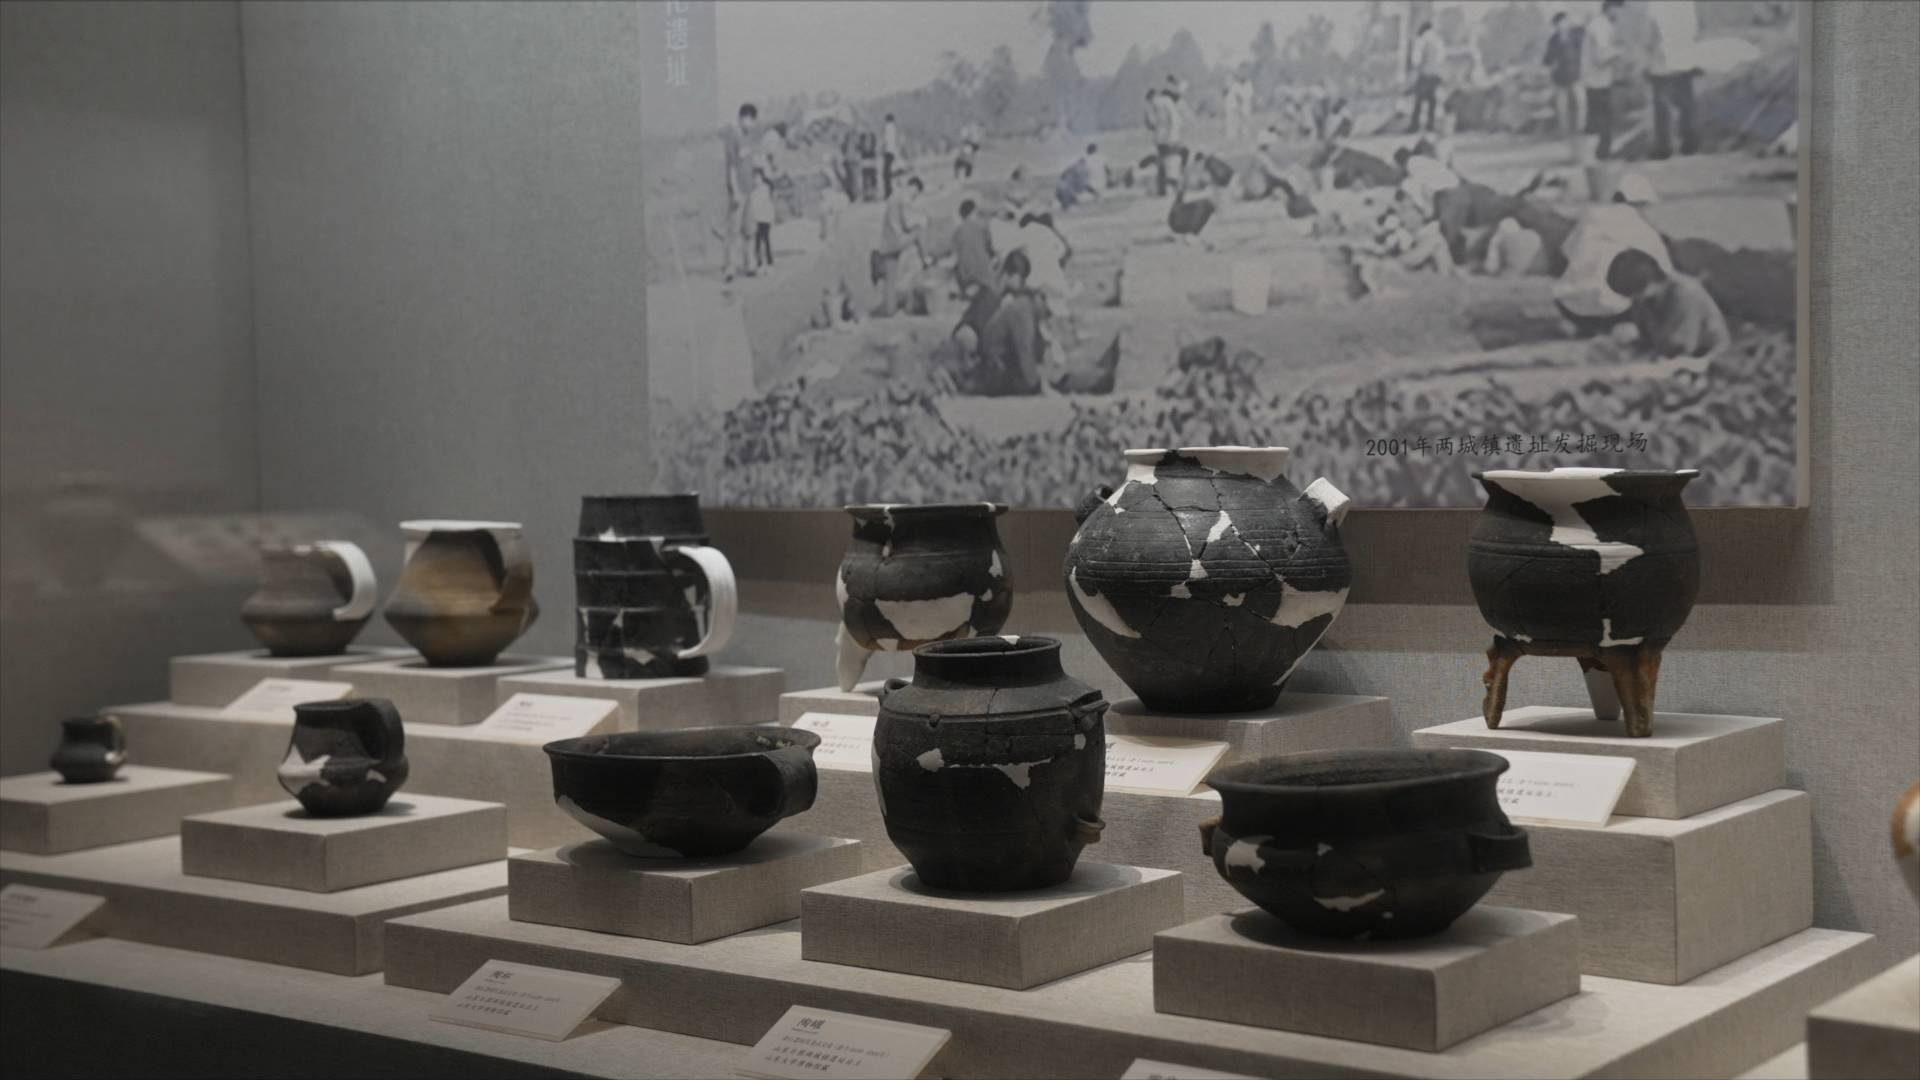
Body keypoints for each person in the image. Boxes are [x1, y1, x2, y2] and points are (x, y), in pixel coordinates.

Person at [1555, 172, 1676, 332]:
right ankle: (1619, 326)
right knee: (1650, 288)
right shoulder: (1643, 229)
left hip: (1571, 308)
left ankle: (1582, 326)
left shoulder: (1589, 218)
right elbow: (1665, 272)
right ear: (1641, 204)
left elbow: (1566, 251)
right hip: (1616, 312)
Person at [1606, 248, 1729, 359]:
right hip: (1669, 352)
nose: (1633, 299)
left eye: (1633, 294)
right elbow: (1646, 337)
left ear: (1646, 284)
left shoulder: (1684, 293)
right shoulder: (1645, 297)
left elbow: (1680, 347)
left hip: (1704, 358)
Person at [1644, 1, 1702, 159]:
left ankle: (1664, 147)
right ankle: (1689, 145)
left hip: (1662, 63)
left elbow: (1649, 38)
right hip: (1683, 60)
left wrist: (1646, 63)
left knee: (1662, 109)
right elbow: (1694, 32)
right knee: (1686, 105)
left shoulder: (1655, 6)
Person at [871, 176, 925, 317]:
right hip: (899, 242)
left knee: (890, 279)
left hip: (888, 242)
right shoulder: (904, 199)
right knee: (912, 271)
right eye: (916, 193)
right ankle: (907, 306)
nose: (915, 196)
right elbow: (911, 224)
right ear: (914, 187)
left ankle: (890, 308)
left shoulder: (893, 197)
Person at [720, 102, 758, 281]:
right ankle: (730, 267)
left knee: (749, 230)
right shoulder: (732, 137)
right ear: (743, 118)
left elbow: (750, 163)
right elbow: (731, 167)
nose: (752, 124)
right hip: (738, 191)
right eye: (750, 120)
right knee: (733, 231)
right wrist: (734, 190)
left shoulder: (748, 137)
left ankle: (750, 264)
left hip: (749, 189)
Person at [1582, 0, 1624, 161]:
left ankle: (1600, 153)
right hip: (1597, 81)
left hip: (1597, 79)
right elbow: (1601, 57)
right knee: (1601, 118)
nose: (1620, 14)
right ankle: (1600, 154)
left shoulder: (1601, 25)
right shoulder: (1601, 27)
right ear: (1610, 8)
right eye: (1618, 9)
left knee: (1600, 118)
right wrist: (1619, 52)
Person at [1543, 12, 1584, 139]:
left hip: (1575, 74)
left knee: (1581, 102)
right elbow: (1547, 59)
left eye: (1566, 22)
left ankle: (1580, 129)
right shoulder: (1553, 40)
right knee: (1562, 106)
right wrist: (1551, 63)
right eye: (1561, 23)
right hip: (1560, 77)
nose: (1564, 25)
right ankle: (1564, 131)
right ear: (1556, 25)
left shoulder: (1576, 36)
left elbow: (1583, 52)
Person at [952, 198, 995, 297]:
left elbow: (957, 255)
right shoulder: (982, 228)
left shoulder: (957, 232)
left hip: (967, 277)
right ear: (973, 212)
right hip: (983, 275)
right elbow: (989, 249)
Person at [1409, 21, 1447, 134]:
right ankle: (1430, 125)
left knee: (1418, 100)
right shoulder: (1438, 40)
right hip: (1435, 74)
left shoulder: (1421, 40)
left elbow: (1416, 60)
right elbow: (1441, 58)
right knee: (1432, 100)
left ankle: (1415, 125)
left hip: (1424, 73)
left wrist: (1416, 69)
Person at [1482, 216, 1548, 277]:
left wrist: (1494, 243)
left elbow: (1491, 268)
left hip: (1513, 275)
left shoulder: (1503, 241)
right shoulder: (1534, 235)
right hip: (1539, 273)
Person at [1224, 65, 1254, 141]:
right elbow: (1236, 94)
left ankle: (1245, 135)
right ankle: (1232, 136)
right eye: (1241, 74)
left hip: (1245, 104)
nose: (1242, 75)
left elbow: (1248, 95)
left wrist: (1242, 103)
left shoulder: (1249, 83)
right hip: (1236, 105)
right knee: (1233, 121)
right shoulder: (1236, 84)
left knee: (1245, 120)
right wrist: (1238, 105)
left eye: (1244, 74)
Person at [881, 113, 899, 199]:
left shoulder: (888, 128)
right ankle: (889, 190)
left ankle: (888, 192)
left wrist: (883, 149)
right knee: (888, 172)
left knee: (885, 174)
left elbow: (885, 141)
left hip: (888, 152)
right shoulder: (893, 128)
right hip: (891, 153)